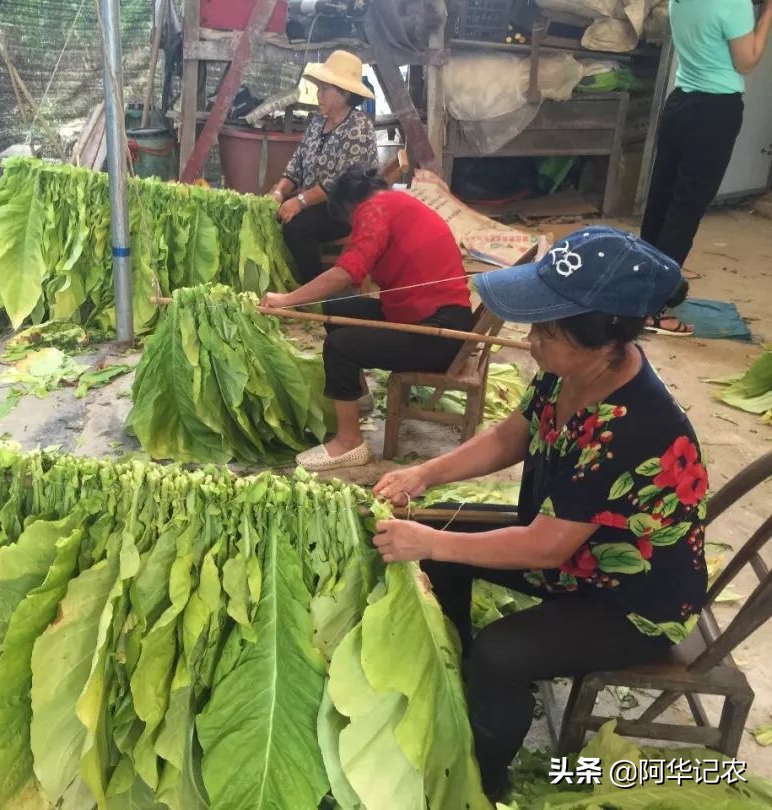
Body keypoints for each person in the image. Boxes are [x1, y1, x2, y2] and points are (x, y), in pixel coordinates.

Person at [370, 227, 706, 801]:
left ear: (601, 339)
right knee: (441, 548)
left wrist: (427, 540)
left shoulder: (633, 427)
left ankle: (486, 779)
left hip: (631, 599)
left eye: (546, 330)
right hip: (571, 550)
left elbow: (544, 548)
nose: (530, 341)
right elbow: (513, 435)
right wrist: (426, 474)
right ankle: (453, 682)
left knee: (500, 653)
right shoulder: (572, 370)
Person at [261, 167, 474, 472]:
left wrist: (287, 300)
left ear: (349, 207)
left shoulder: (375, 208)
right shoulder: (393, 202)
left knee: (340, 346)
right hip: (430, 316)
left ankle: (350, 443)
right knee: (339, 310)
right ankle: (358, 396)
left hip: (439, 333)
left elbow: (347, 272)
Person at [640, 0, 772, 336]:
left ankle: (640, 283)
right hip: (715, 111)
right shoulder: (733, 5)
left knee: (661, 201)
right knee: (685, 210)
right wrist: (768, 14)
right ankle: (653, 309)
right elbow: (746, 61)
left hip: (680, 104)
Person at [268, 50, 379, 284]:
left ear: (345, 93)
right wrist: (279, 191)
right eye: (319, 88)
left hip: (345, 209)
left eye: (325, 89)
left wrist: (300, 202)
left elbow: (341, 183)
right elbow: (296, 164)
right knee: (271, 213)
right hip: (316, 202)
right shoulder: (318, 121)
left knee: (297, 228)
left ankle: (314, 289)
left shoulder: (358, 127)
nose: (319, 94)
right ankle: (290, 280)